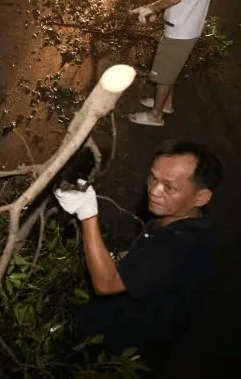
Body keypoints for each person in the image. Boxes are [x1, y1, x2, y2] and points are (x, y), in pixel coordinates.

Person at [54, 139, 221, 372]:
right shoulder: (177, 217)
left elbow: (106, 283)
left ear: (200, 197)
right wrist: (116, 257)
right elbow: (142, 256)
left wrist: (88, 213)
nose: (154, 191)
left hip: (119, 353)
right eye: (153, 177)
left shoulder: (181, 248)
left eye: (169, 187)